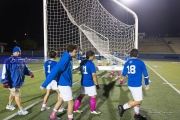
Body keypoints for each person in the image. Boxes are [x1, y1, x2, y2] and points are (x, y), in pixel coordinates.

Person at [40, 44, 78, 120]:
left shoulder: (68, 57)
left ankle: (52, 115)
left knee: (61, 100)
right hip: (64, 84)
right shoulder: (65, 58)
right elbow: (55, 70)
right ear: (71, 51)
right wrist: (44, 84)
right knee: (71, 103)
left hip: (64, 83)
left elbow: (66, 70)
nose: (76, 53)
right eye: (75, 51)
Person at [1, 46, 34, 115]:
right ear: (13, 52)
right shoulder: (8, 61)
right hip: (12, 82)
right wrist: (5, 82)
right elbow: (4, 72)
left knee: (13, 94)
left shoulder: (21, 60)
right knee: (17, 95)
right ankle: (21, 109)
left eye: (19, 52)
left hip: (18, 82)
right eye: (17, 52)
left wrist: (30, 73)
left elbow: (25, 69)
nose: (19, 53)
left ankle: (9, 105)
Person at [118, 49, 149, 120]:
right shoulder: (140, 62)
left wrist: (122, 80)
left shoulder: (127, 62)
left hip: (130, 83)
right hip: (136, 84)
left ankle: (137, 114)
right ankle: (123, 107)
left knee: (136, 100)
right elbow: (145, 74)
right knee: (138, 101)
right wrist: (147, 83)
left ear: (130, 54)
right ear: (137, 55)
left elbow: (124, 74)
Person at [73, 50, 101, 114]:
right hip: (89, 83)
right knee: (93, 96)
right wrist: (97, 84)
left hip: (83, 81)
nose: (94, 57)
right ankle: (93, 110)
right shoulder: (91, 63)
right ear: (90, 56)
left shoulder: (82, 62)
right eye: (93, 56)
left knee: (81, 95)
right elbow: (94, 75)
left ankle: (75, 108)